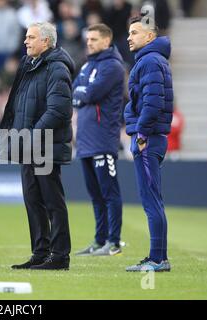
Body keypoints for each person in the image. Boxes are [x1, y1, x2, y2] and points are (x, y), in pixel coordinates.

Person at [0, 22, 74, 270]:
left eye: (31, 37)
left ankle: (59, 255)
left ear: (46, 42)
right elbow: (16, 105)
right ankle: (40, 252)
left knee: (52, 200)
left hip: (45, 146)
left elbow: (59, 110)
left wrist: (32, 134)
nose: (26, 41)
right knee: (33, 199)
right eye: (26, 37)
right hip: (27, 145)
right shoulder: (28, 65)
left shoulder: (57, 68)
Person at [124, 16, 173, 272]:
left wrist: (141, 134)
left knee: (150, 200)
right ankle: (158, 257)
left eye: (134, 32)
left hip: (148, 139)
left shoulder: (150, 61)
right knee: (153, 198)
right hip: (152, 137)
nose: (129, 37)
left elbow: (152, 103)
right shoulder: (153, 60)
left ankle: (157, 259)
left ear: (150, 37)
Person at [72, 23, 125, 257]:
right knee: (95, 194)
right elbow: (73, 91)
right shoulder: (86, 66)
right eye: (88, 39)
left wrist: (82, 94)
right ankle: (99, 240)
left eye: (94, 39)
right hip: (84, 140)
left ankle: (114, 242)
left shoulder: (113, 66)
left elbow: (91, 93)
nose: (89, 43)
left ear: (106, 41)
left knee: (109, 192)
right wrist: (82, 94)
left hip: (103, 138)